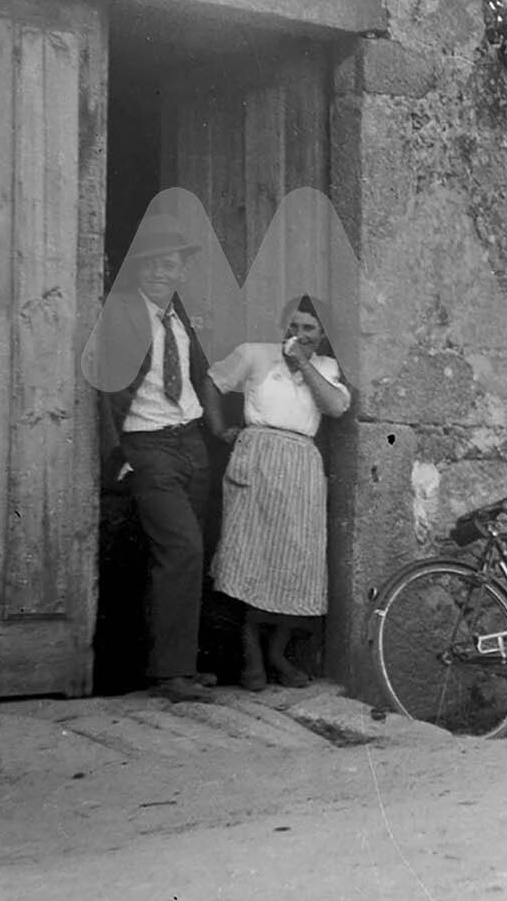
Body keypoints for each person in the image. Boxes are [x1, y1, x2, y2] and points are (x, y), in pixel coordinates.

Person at [91, 211, 216, 703]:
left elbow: (196, 377)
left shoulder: (180, 319)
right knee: (181, 547)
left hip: (191, 444)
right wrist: (115, 451)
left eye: (171, 266)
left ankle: (178, 662)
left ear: (182, 272)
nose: (162, 273)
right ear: (137, 271)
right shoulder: (121, 311)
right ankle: (170, 673)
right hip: (149, 445)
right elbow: (102, 388)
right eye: (152, 266)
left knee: (187, 553)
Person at [204, 296, 349, 691]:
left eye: (309, 329)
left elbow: (336, 407)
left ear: (321, 336)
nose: (299, 335)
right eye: (294, 326)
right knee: (251, 559)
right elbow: (214, 381)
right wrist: (219, 429)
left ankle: (276, 653)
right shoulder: (253, 355)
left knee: (296, 566)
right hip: (258, 459)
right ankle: (251, 652)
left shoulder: (327, 368)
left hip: (301, 467)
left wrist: (302, 362)